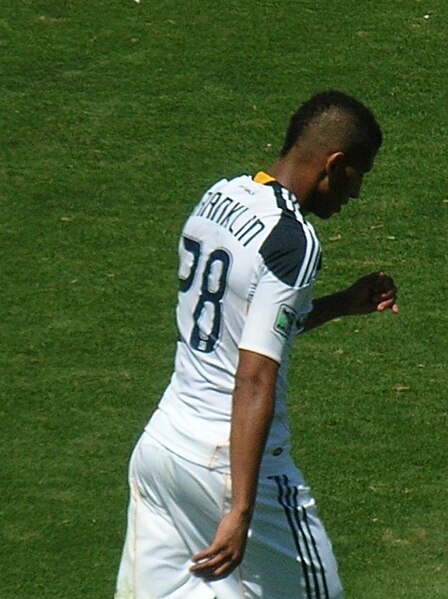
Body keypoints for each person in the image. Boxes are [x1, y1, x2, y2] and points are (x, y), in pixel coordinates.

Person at [115, 90, 398, 599]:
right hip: (230, 467)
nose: (356, 194)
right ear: (334, 165)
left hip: (162, 449)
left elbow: (243, 324)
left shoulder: (218, 197)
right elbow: (253, 375)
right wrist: (241, 508)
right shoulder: (293, 238)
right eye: (360, 175)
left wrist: (337, 304)